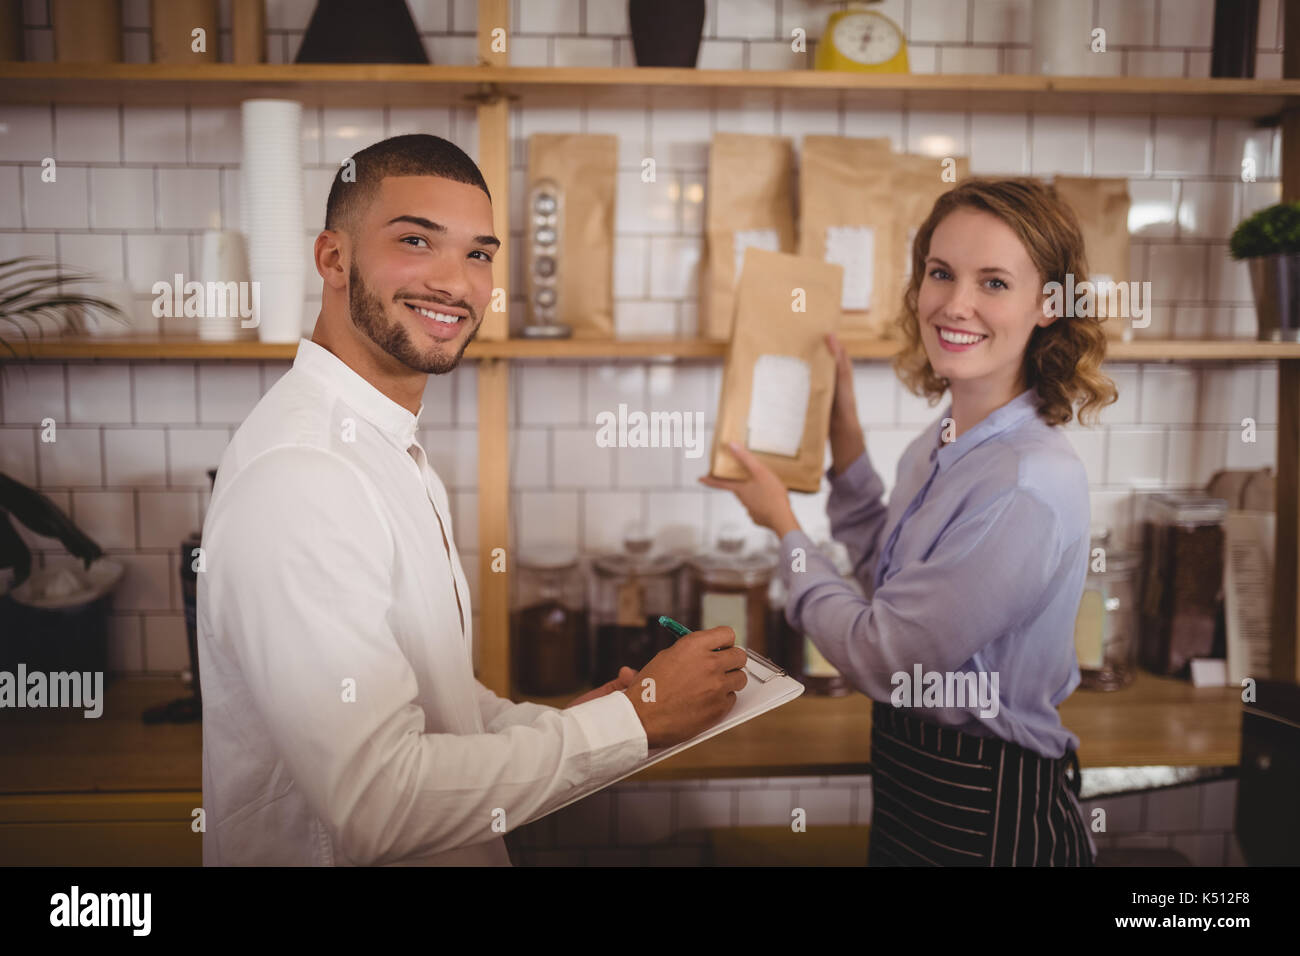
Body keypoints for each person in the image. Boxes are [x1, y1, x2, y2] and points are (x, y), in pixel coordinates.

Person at [198, 134, 746, 866]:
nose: (455, 283)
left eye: (478, 254)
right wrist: (639, 720)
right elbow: (378, 804)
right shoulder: (305, 475)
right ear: (334, 258)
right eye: (417, 241)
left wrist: (602, 719)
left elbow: (439, 703)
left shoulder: (388, 448)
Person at [701, 178, 1117, 866]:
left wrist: (785, 530)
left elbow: (885, 655)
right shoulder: (944, 442)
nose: (956, 304)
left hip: (993, 807)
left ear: (1049, 305)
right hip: (916, 788)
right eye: (941, 273)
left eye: (993, 283)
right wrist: (846, 444)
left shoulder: (1026, 482)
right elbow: (890, 583)